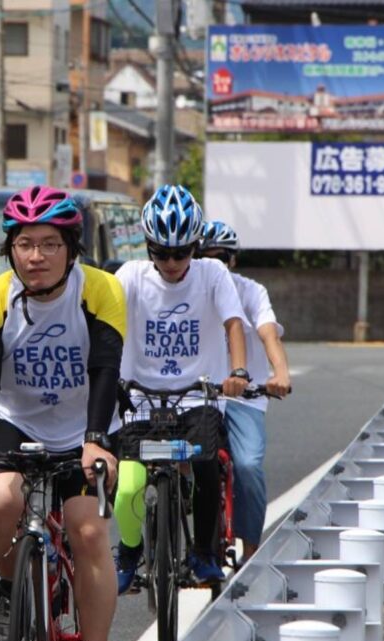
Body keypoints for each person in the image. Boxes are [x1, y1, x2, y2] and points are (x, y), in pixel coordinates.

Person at [0, 185, 125, 641]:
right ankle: (8, 584)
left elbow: (106, 368)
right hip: (14, 420)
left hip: (85, 424)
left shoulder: (101, 290)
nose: (36, 256)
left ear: (70, 249)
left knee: (88, 531)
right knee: (0, 501)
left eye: (49, 244)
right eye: (25, 244)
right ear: (10, 249)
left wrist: (97, 441)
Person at [111, 185, 251, 595]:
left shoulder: (213, 274)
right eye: (161, 252)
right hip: (139, 399)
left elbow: (233, 324)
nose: (172, 263)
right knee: (129, 487)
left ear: (195, 246)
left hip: (197, 397)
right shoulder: (130, 277)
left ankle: (204, 553)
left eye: (181, 252)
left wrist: (238, 371)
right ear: (147, 246)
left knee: (208, 468)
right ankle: (130, 552)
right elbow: (108, 327)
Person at [197, 220, 292, 561]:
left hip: (243, 398)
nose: (214, 265)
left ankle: (250, 556)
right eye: (204, 257)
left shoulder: (250, 291)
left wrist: (280, 372)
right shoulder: (187, 290)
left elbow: (269, 334)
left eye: (221, 258)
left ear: (233, 261)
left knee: (248, 466)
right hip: (195, 395)